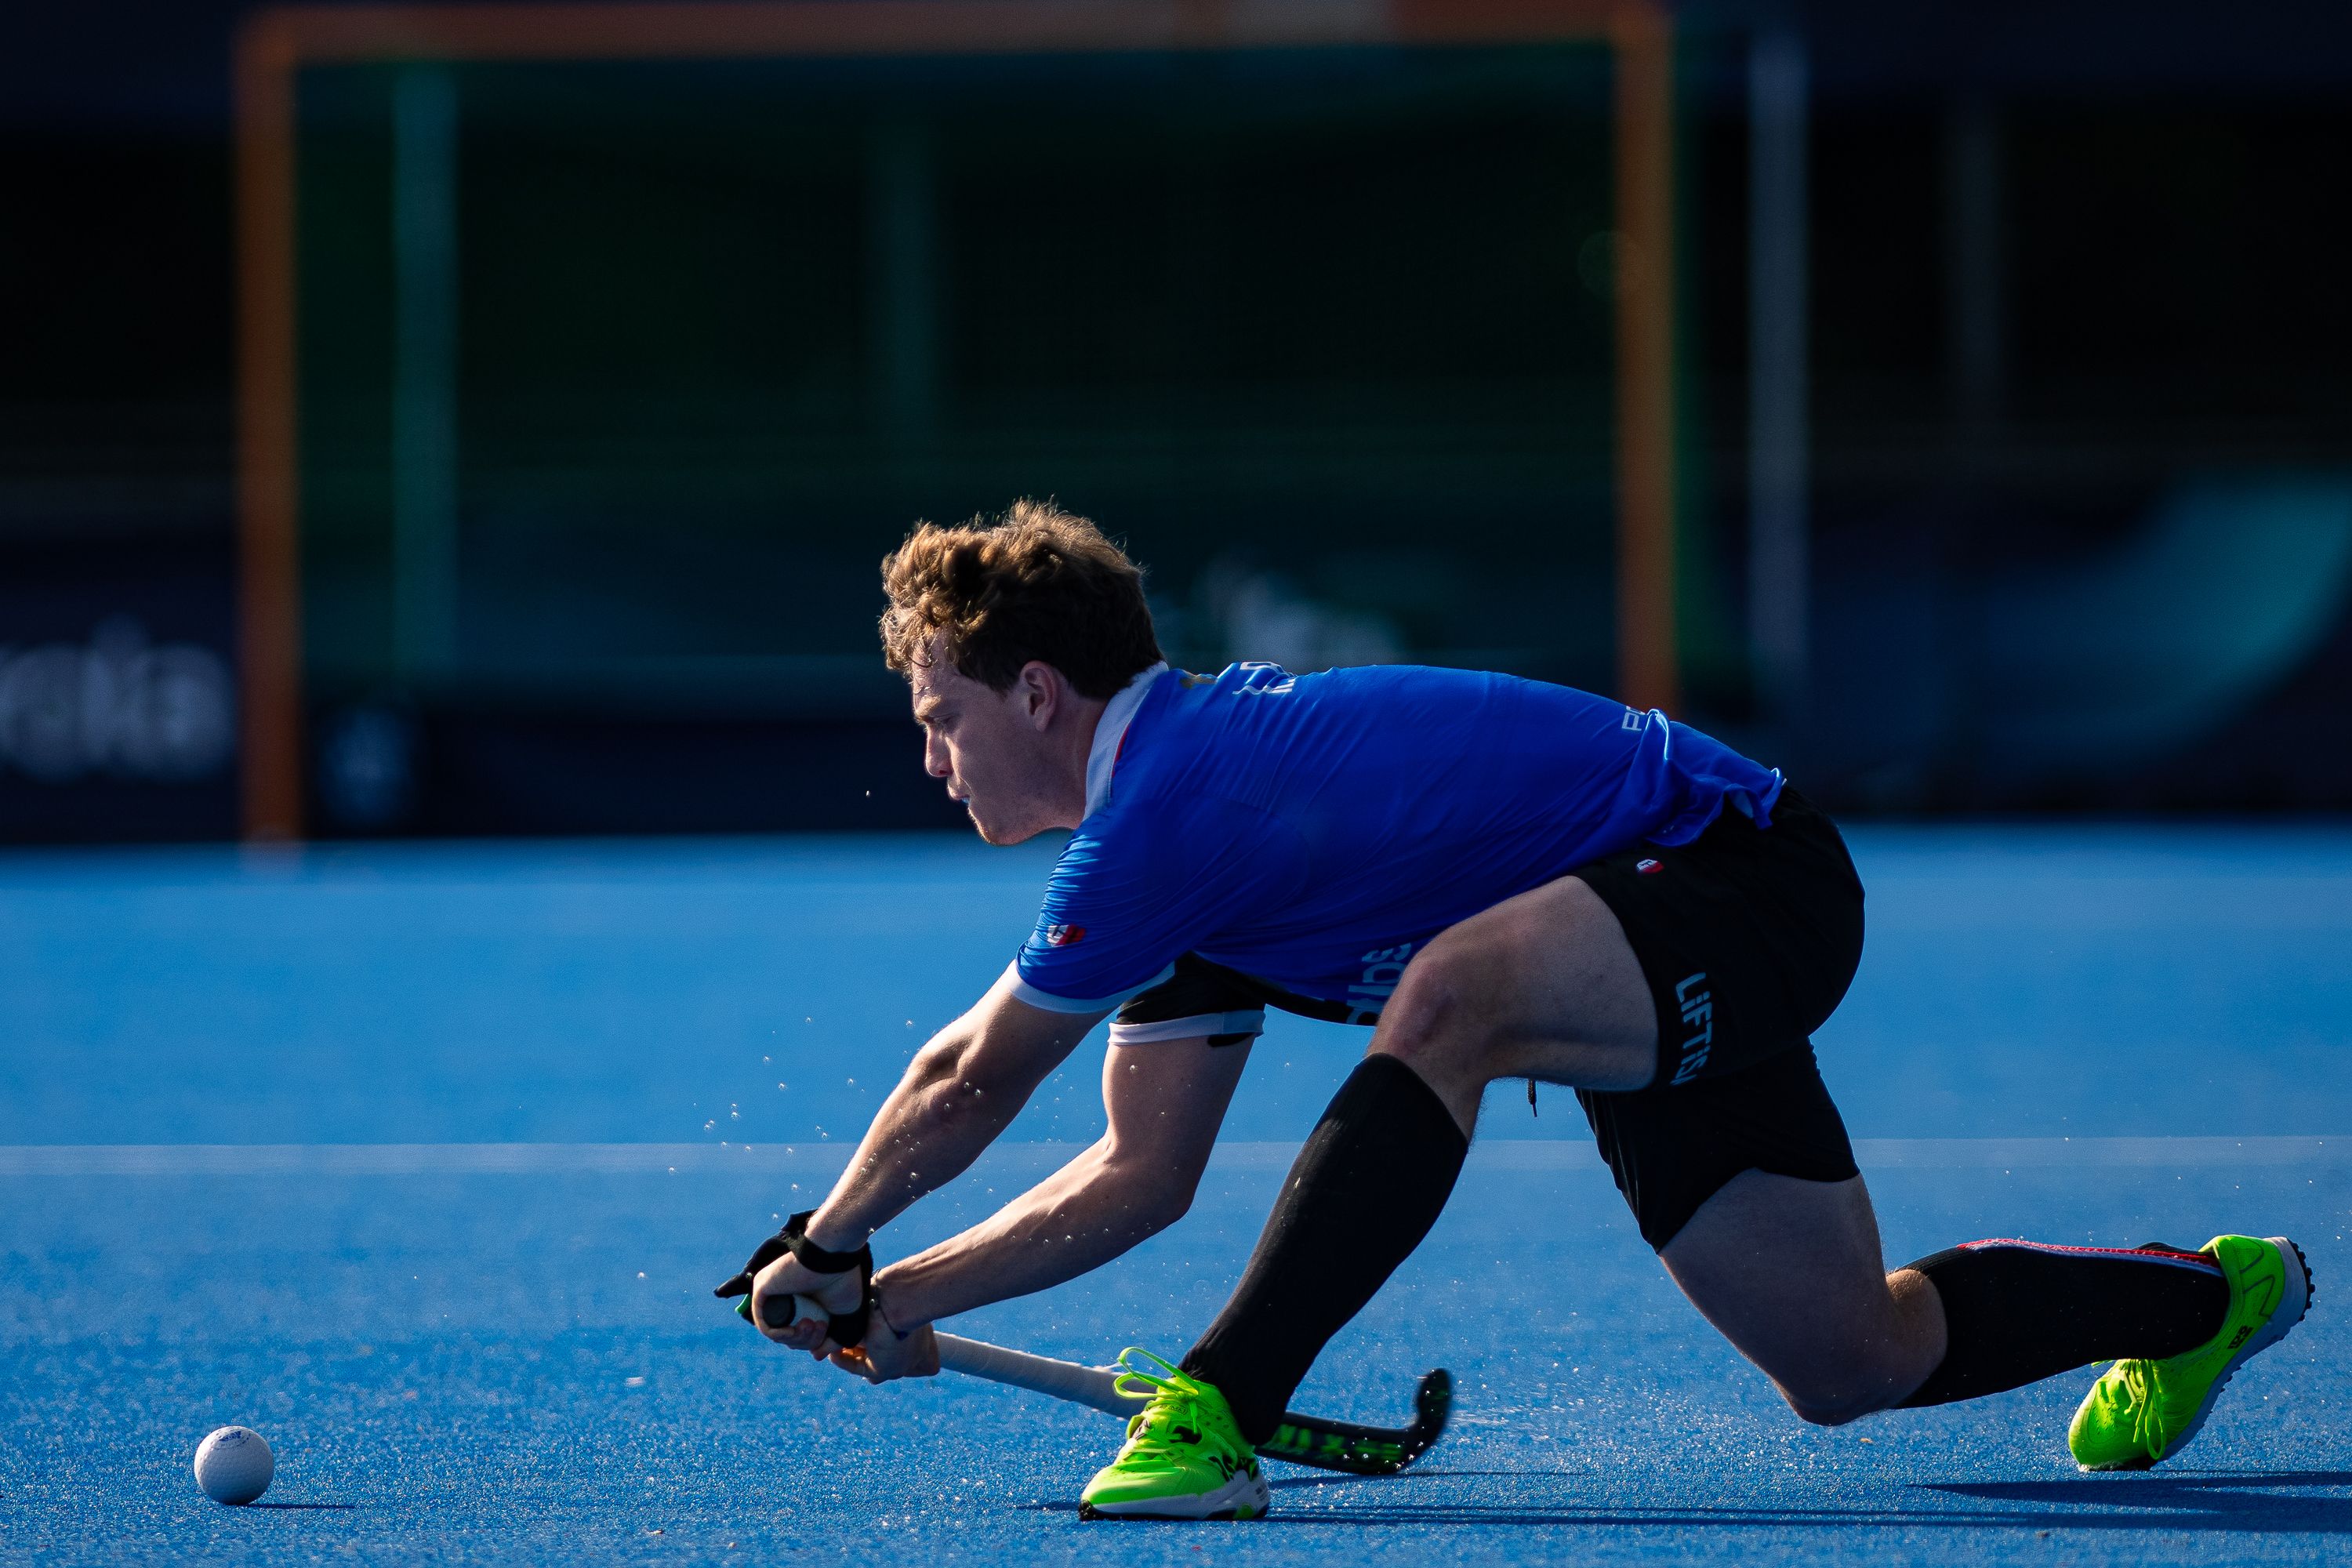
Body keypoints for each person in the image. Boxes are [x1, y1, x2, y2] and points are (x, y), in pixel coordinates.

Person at [715, 500, 2311, 1521]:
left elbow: (970, 1076)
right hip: (1621, 952)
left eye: (941, 716)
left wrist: (832, 1236)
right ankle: (2202, 1299)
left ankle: (1220, 1412)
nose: (931, 759)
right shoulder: (1175, 879)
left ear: (1038, 694)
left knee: (1451, 996)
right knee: (1848, 1359)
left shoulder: (1171, 801)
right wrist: (899, 1293)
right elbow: (1139, 1176)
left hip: (1741, 879)